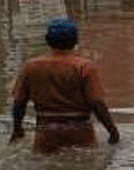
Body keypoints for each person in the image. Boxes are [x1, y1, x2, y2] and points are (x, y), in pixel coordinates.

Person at [10, 16, 120, 154]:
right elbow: (97, 103)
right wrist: (113, 132)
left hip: (45, 133)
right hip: (80, 132)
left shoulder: (30, 66)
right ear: (75, 40)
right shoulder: (84, 66)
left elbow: (19, 102)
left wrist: (17, 129)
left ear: (47, 40)